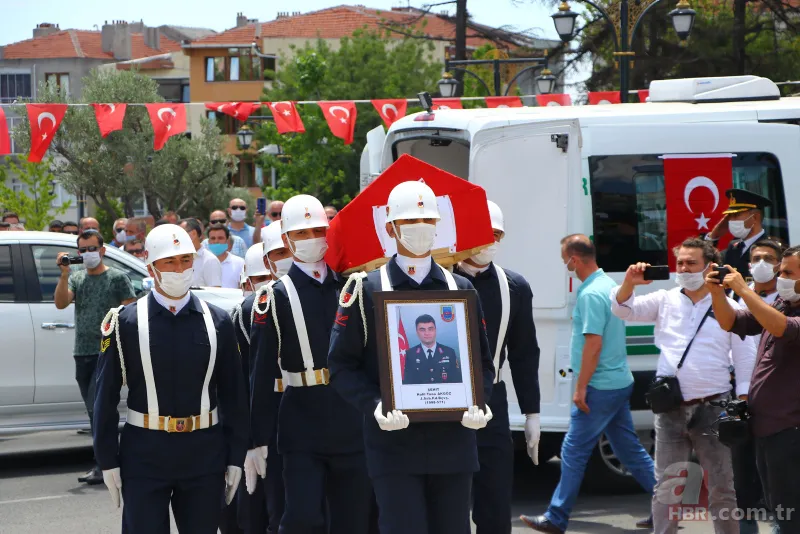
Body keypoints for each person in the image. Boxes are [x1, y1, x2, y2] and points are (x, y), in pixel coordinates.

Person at [328, 180, 494, 534]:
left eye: (428, 223)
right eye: (410, 224)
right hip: (394, 447)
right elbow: (341, 366)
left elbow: (482, 362)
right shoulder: (366, 289)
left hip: (454, 446)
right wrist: (374, 404)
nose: (421, 232)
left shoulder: (460, 289)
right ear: (391, 228)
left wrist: (481, 402)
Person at [93, 223, 248, 533]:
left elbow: (234, 393)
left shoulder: (217, 320)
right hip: (146, 453)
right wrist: (107, 458)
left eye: (185, 260)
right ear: (152, 265)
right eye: (170, 262)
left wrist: (236, 455)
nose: (180, 269)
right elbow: (105, 396)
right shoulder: (125, 322)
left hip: (204, 453)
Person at [609, 237, 755, 534]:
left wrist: (742, 404)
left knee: (721, 487)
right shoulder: (665, 299)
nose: (684, 269)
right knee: (667, 487)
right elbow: (623, 309)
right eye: (681, 263)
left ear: (709, 267)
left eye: (692, 263)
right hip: (670, 408)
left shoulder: (729, 306)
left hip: (713, 409)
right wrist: (629, 283)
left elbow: (744, 360)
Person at [247, 194, 372, 534]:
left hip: (350, 418)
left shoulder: (351, 287)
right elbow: (260, 373)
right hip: (302, 421)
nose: (311, 239)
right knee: (302, 519)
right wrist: (256, 438)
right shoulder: (273, 296)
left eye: (318, 230)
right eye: (301, 233)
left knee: (354, 520)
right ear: (286, 239)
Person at [522, 235, 656, 534]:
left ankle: (556, 517)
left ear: (574, 259)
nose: (564, 265)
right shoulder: (606, 285)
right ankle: (668, 508)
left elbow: (593, 344)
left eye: (564, 259)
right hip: (617, 382)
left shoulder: (592, 294)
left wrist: (581, 387)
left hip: (601, 386)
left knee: (573, 451)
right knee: (629, 450)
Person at [454, 200, 541, 534]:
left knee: (495, 494)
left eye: (497, 234)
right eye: (484, 233)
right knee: (452, 497)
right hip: (446, 396)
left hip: (494, 400)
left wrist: (531, 412)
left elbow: (523, 352)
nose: (491, 241)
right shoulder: (440, 280)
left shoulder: (514, 286)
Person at [710, 248, 800, 534]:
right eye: (780, 271)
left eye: (788, 273)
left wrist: (742, 289)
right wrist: (716, 291)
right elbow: (730, 321)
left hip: (791, 429)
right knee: (778, 509)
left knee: (791, 516)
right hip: (767, 428)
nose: (780, 278)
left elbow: (780, 327)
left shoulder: (783, 313)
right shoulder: (784, 304)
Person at [54, 230, 136, 485]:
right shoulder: (77, 279)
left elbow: (130, 311)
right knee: (95, 412)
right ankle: (109, 460)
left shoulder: (117, 278)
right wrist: (64, 273)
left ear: (102, 250)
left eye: (92, 248)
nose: (88, 254)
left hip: (107, 352)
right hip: (83, 352)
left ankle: (105, 464)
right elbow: (60, 303)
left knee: (98, 408)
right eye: (83, 249)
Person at [731, 238, 785, 534]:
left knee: (779, 480)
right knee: (744, 478)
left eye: (768, 257)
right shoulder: (740, 297)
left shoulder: (786, 303)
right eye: (755, 257)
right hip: (744, 398)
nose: (761, 262)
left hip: (778, 404)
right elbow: (738, 344)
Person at [228, 244, 275, 534]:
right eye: (259, 280)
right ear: (245, 284)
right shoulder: (237, 317)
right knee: (251, 511)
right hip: (255, 424)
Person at [706, 189, 772, 279]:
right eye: (730, 216)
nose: (731, 221)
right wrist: (713, 237)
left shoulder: (770, 249)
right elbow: (705, 260)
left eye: (736, 215)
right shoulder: (734, 246)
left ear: (755, 217)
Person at [402, 314, 462, 385]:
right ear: (417, 332)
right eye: (422, 330)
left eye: (430, 329)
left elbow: (457, 381)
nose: (427, 333)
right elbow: (408, 383)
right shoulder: (410, 354)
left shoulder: (449, 352)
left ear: (435, 330)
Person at [181, 218, 222, 288]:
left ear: (193, 234)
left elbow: (215, 292)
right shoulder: (177, 258)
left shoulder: (210, 260)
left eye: (180, 233)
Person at [207, 224, 246, 290]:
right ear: (208, 241)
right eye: (213, 238)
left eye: (220, 238)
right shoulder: (204, 262)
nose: (216, 241)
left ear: (227, 241)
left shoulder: (239, 263)